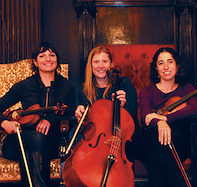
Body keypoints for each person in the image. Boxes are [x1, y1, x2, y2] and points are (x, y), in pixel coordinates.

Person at [0, 42, 76, 187]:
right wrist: (4, 122)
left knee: (30, 154)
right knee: (35, 138)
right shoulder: (24, 85)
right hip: (18, 142)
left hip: (52, 144)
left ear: (57, 59)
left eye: (52, 55)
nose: (48, 59)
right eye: (42, 55)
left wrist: (51, 120)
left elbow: (70, 116)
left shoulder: (67, 86)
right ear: (35, 61)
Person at [130, 47, 197, 187]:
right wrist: (160, 124)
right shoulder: (147, 91)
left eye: (170, 61)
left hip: (177, 143)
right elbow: (146, 118)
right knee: (158, 138)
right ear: (156, 68)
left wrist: (166, 119)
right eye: (161, 63)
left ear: (177, 65)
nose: (166, 67)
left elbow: (194, 108)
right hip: (147, 139)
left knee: (155, 155)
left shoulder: (187, 88)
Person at [75, 45, 138, 131]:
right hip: (95, 139)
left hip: (122, 135)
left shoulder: (123, 84)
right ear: (91, 65)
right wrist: (81, 116)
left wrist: (120, 109)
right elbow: (86, 126)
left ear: (111, 64)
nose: (101, 66)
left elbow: (133, 116)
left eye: (105, 61)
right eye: (96, 62)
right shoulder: (83, 90)